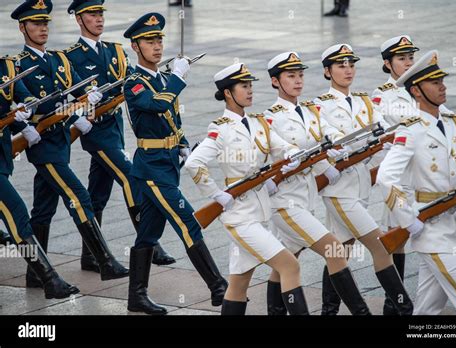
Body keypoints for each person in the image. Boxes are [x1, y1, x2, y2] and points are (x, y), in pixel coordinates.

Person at [11, 0, 129, 288]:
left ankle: (34, 275)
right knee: (79, 196)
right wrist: (23, 125)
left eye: (45, 23)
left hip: (60, 141)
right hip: (43, 147)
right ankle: (104, 261)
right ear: (22, 27)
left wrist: (85, 104)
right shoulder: (17, 65)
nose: (42, 28)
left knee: (42, 209)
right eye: (36, 23)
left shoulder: (58, 60)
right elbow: (20, 101)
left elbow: (80, 88)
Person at [185, 62, 311, 315]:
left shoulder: (259, 123)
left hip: (258, 212)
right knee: (289, 266)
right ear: (228, 93)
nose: (251, 91)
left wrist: (294, 155)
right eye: (244, 86)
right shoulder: (219, 129)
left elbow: (283, 146)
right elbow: (193, 163)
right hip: (240, 217)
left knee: (239, 283)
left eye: (251, 85)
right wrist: (216, 194)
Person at [123, 12, 227, 315]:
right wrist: (179, 77)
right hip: (150, 169)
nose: (156, 46)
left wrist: (182, 146)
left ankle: (136, 297)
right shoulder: (135, 83)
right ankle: (218, 286)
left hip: (167, 163)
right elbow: (157, 104)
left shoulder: (161, 79)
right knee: (187, 221)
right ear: (135, 46)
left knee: (148, 234)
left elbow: (172, 117)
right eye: (149, 41)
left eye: (159, 40)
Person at [65, 0, 175, 272]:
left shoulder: (114, 51)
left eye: (101, 13)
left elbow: (131, 83)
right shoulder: (70, 56)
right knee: (130, 177)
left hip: (114, 130)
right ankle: (149, 243)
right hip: (95, 132)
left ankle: (89, 256)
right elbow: (63, 98)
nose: (99, 19)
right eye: (92, 14)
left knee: (97, 194)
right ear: (79, 19)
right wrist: (79, 111)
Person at [262, 51, 371, 315]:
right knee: (334, 250)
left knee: (286, 260)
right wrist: (268, 178)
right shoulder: (269, 117)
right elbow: (262, 156)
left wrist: (330, 157)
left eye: (300, 75)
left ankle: (276, 312)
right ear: (275, 81)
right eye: (291, 76)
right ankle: (362, 313)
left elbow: (324, 138)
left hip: (305, 197)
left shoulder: (311, 111)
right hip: (285, 203)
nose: (298, 80)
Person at [314, 43, 413, 315]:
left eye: (351, 65)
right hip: (339, 191)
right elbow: (328, 141)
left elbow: (382, 133)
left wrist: (390, 140)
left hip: (358, 187)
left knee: (340, 250)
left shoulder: (364, 101)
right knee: (380, 245)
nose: (348, 70)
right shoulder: (320, 107)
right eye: (340, 66)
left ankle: (328, 311)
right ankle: (402, 309)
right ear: (327, 71)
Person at [377, 50, 456, 315]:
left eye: (442, 80)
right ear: (417, 91)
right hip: (430, 230)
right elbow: (386, 178)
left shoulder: (455, 124)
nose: (442, 86)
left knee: (427, 309)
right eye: (435, 82)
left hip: (452, 224)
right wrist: (407, 219)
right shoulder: (411, 130)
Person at [0, 54, 79, 299]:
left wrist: (24, 114)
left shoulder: (7, 66)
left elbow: (25, 96)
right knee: (17, 214)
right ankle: (49, 280)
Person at [371, 35, 420, 315]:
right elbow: (380, 135)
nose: (408, 63)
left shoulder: (420, 88)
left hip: (424, 176)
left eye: (410, 57)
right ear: (388, 64)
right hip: (398, 178)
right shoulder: (383, 96)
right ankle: (394, 303)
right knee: (396, 239)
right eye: (401, 58)